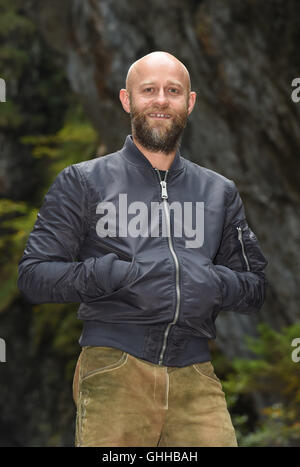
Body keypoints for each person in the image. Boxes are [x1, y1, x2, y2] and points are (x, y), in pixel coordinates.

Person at [17, 51, 268, 447]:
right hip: (114, 365)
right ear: (126, 100)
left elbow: (254, 286)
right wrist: (112, 274)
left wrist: (210, 282)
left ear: (190, 102)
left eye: (173, 91)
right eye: (148, 90)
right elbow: (33, 276)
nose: (161, 101)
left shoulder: (219, 192)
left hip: (196, 373)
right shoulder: (83, 181)